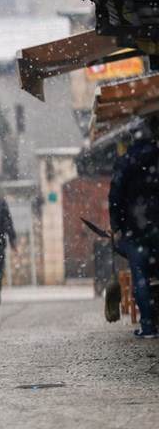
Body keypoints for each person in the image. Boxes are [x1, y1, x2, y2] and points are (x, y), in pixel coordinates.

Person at [109, 117, 159, 338]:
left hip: (134, 229)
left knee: (140, 278)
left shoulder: (125, 162)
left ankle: (148, 326)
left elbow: (115, 197)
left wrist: (115, 224)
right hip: (157, 225)